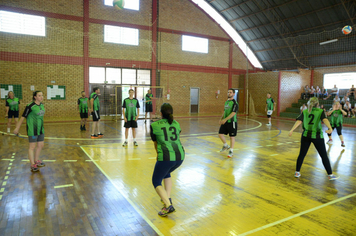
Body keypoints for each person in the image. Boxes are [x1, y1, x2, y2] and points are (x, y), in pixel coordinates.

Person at [288, 97, 338, 180]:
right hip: (317, 136)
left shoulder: (305, 111)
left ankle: (297, 172)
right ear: (318, 104)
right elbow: (325, 120)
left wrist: (292, 130)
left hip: (305, 136)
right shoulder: (320, 111)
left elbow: (299, 121)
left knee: (302, 154)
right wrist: (330, 128)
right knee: (324, 156)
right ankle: (330, 174)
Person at [150, 103, 185, 217]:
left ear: (161, 113)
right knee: (167, 173)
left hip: (166, 157)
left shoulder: (154, 125)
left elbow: (156, 144)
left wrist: (158, 155)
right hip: (180, 157)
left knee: (156, 181)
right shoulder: (176, 123)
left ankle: (168, 206)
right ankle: (167, 198)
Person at [13, 91, 46, 172]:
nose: (41, 97)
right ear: (35, 97)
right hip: (32, 130)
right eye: (39, 95)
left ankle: (36, 160)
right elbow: (22, 117)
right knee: (32, 147)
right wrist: (17, 128)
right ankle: (32, 164)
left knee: (41, 145)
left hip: (41, 129)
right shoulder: (30, 106)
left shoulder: (41, 105)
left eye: (42, 95)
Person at [218, 89, 238, 158]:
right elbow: (224, 111)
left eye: (231, 92)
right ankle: (226, 145)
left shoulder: (235, 103)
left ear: (234, 94)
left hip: (232, 122)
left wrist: (225, 119)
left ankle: (231, 151)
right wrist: (221, 118)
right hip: (225, 121)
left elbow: (233, 113)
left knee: (232, 137)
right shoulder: (226, 102)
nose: (229, 93)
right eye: (228, 92)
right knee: (220, 134)